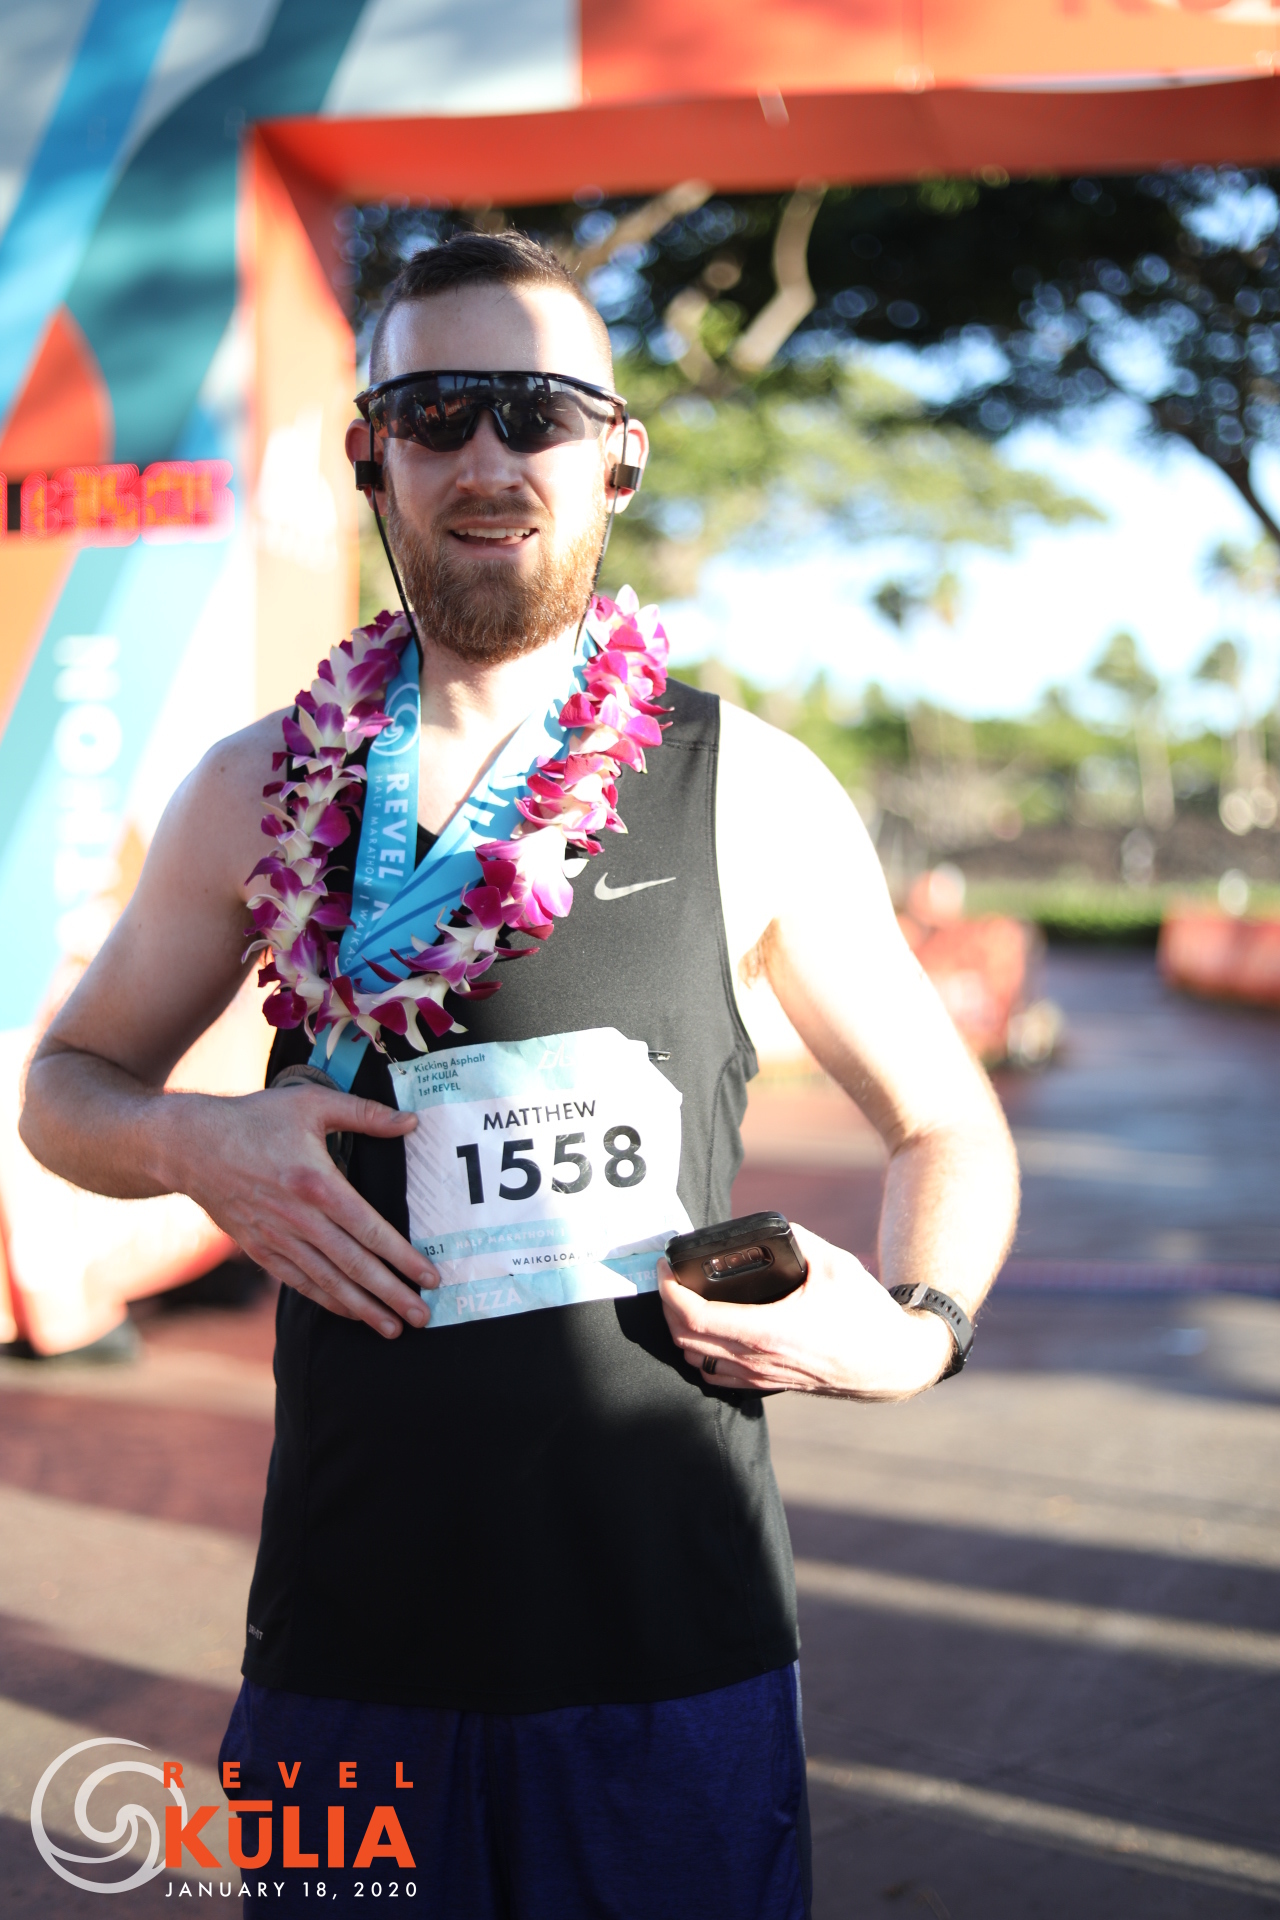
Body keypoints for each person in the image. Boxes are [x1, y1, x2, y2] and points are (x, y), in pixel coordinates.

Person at [19, 231, 1019, 1918]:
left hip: (673, 1662)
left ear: (618, 456)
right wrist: (197, 1141)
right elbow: (66, 1086)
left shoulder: (750, 787)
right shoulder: (253, 787)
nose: (488, 455)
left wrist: (917, 1332)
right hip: (347, 1657)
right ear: (372, 458)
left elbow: (943, 1120)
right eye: (436, 412)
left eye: (538, 411)